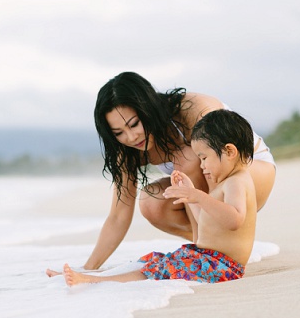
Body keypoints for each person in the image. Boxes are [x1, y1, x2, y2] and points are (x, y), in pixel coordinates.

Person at [70, 71, 275, 273]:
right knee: (151, 203)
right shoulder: (127, 151)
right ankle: (216, 247)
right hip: (210, 194)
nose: (131, 137)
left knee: (188, 159)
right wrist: (88, 268)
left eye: (134, 124)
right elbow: (118, 216)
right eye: (119, 133)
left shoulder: (192, 109)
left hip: (248, 173)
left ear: (148, 108)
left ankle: (204, 252)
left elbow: (225, 160)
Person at [47, 109, 259, 287]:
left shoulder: (237, 182)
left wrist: (199, 196)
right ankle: (98, 277)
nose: (202, 165)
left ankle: (94, 281)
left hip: (224, 267)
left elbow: (234, 220)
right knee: (154, 260)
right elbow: (207, 220)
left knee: (160, 270)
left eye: (204, 158)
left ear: (229, 151)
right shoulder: (225, 182)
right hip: (206, 258)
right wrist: (191, 195)